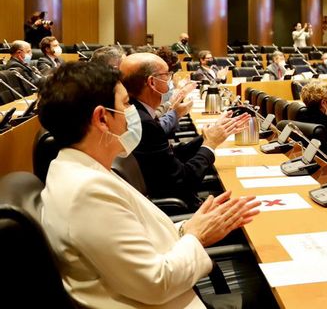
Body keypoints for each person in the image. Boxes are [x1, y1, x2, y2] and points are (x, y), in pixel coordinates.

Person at [37, 61, 259, 309]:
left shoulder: (83, 169)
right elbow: (156, 283)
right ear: (102, 118)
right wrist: (197, 235)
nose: (132, 112)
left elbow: (140, 241)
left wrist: (188, 227)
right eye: (125, 103)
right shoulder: (85, 192)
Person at [121, 53, 248, 208]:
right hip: (175, 207)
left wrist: (207, 137)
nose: (169, 81)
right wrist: (210, 146)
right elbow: (184, 181)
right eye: (166, 75)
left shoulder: (140, 112)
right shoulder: (143, 122)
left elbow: (168, 156)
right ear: (152, 82)